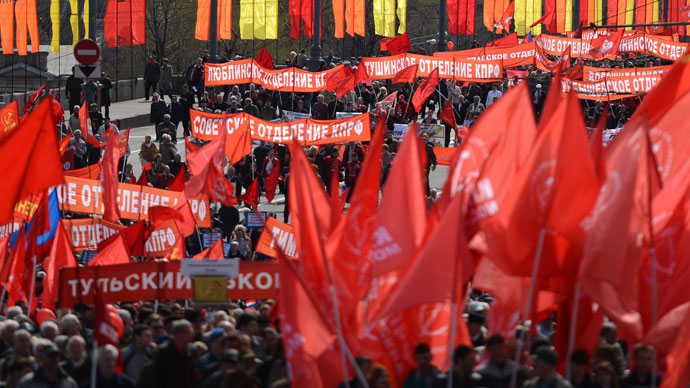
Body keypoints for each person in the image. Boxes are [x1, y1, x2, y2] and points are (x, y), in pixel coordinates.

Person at [150, 320, 197, 388]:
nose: (192, 335)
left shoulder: (192, 350)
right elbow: (157, 377)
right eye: (189, 333)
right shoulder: (163, 351)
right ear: (179, 334)